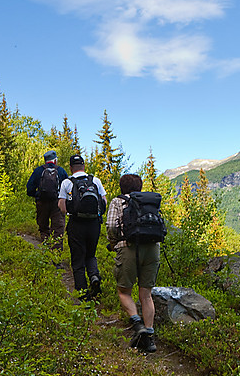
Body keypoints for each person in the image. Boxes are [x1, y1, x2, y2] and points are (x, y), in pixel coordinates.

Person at [106, 174, 160, 353]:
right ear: (140, 186)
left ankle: (138, 325)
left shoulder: (117, 202)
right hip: (152, 247)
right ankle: (150, 338)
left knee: (124, 291)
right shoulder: (148, 202)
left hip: (128, 246)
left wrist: (113, 243)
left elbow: (112, 227)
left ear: (121, 186)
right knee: (146, 294)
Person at [58, 154, 107, 301]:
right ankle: (94, 276)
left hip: (76, 224)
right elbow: (103, 201)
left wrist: (70, 211)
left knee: (78, 260)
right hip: (94, 224)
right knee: (90, 254)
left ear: (71, 168)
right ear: (84, 166)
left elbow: (61, 206)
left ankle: (83, 296)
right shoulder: (95, 181)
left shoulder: (67, 182)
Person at [26, 150, 68, 251]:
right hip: (57, 204)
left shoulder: (38, 171)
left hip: (42, 203)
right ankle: (56, 256)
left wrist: (38, 195)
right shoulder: (61, 171)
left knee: (43, 228)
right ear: (55, 160)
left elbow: (29, 189)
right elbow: (68, 189)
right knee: (58, 229)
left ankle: (45, 250)